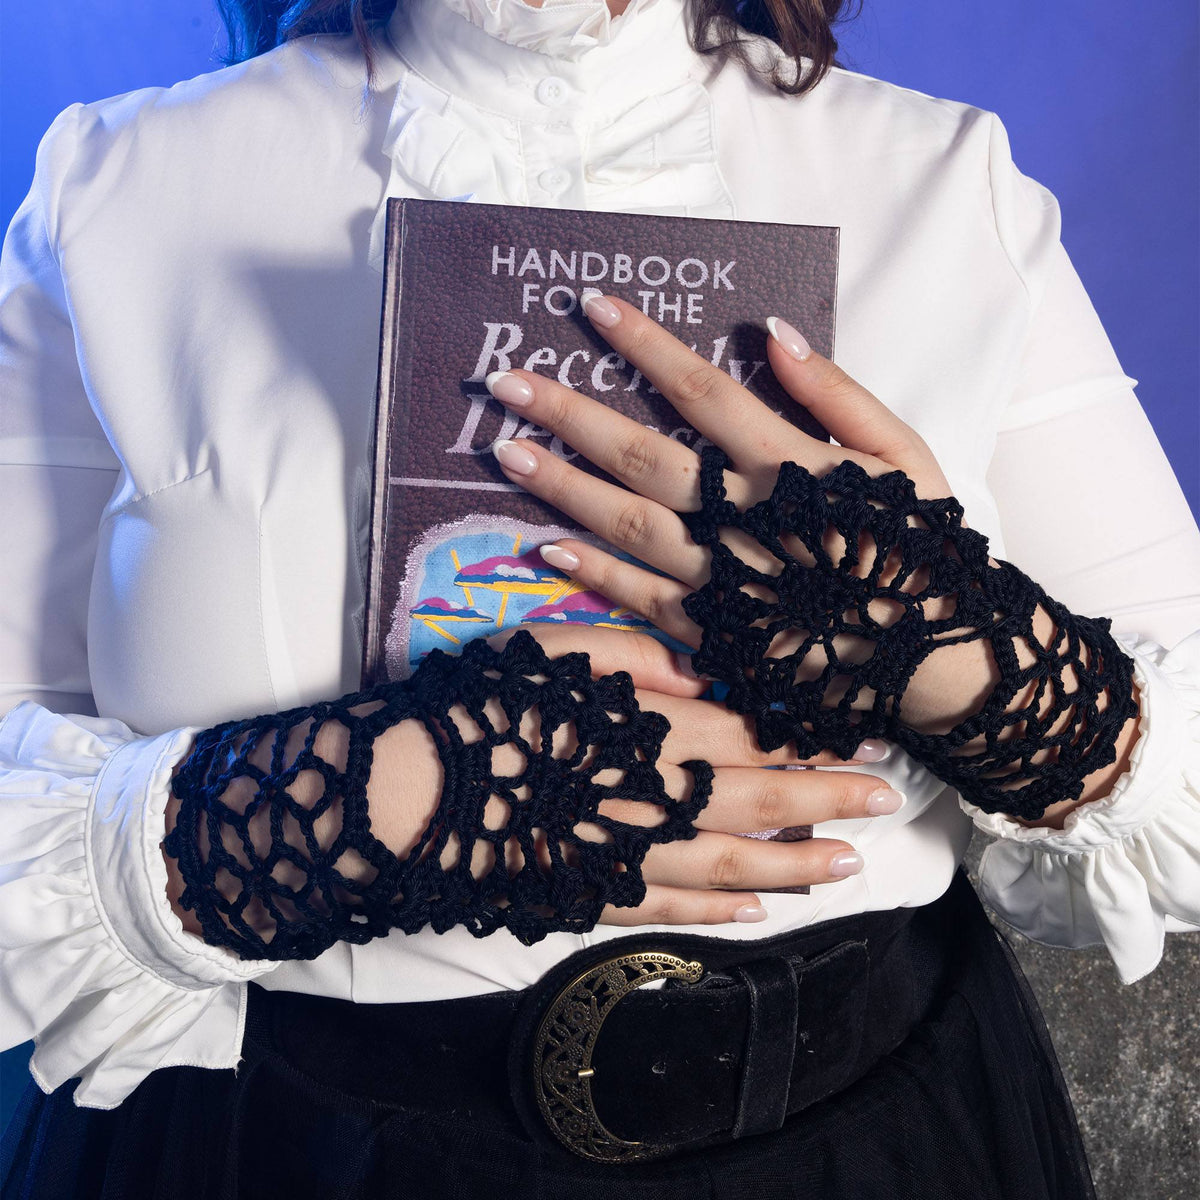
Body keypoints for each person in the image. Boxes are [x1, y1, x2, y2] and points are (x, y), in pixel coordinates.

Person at [1, 0, 1197, 1196]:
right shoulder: (124, 184)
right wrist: (365, 807)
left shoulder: (944, 181)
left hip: (877, 1138)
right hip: (302, 1150)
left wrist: (940, 637)